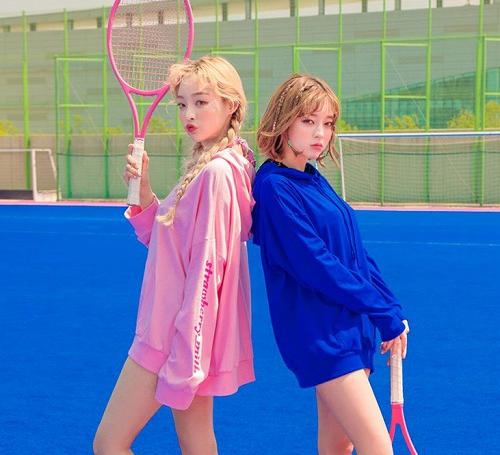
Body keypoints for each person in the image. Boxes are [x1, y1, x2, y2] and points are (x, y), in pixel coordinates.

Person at [93, 56, 256, 455]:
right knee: (196, 444)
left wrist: (187, 358)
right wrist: (145, 191)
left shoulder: (217, 173)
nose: (189, 114)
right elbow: (168, 243)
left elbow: (206, 273)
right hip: (183, 336)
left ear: (231, 104)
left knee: (109, 444)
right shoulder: (214, 163)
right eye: (182, 104)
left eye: (201, 102)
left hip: (171, 337)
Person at [251, 73, 410, 455]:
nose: (321, 133)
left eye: (328, 123)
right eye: (308, 121)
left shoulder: (312, 176)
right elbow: (318, 265)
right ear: (283, 121)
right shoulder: (275, 187)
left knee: (338, 446)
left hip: (346, 327)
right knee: (377, 448)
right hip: (323, 335)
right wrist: (381, 311)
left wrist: (390, 307)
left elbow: (354, 253)